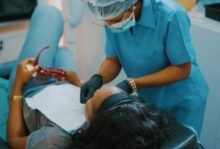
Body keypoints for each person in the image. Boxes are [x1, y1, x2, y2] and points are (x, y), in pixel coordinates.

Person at [6, 4, 171, 149]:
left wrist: (17, 84)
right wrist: (77, 82)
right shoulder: (111, 124)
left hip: (31, 88)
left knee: (49, 12)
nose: (92, 93)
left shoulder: (54, 140)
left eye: (93, 97)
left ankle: (12, 72)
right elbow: (110, 66)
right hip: (63, 84)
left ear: (93, 122)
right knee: (63, 52)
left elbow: (14, 140)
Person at [81, 0, 209, 136]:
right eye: (107, 22)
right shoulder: (111, 12)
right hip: (149, 99)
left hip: (181, 100)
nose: (111, 25)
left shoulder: (170, 15)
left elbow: (182, 69)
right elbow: (113, 60)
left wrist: (132, 84)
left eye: (115, 20)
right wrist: (98, 78)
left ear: (134, 5)